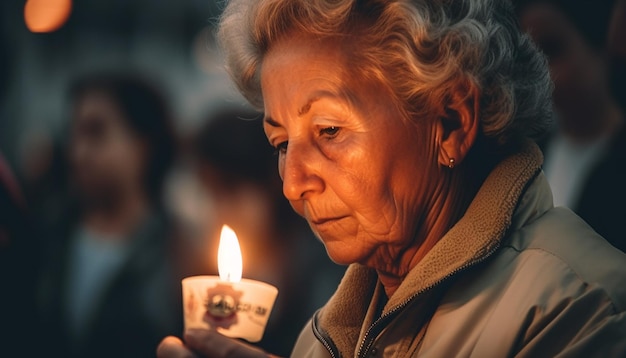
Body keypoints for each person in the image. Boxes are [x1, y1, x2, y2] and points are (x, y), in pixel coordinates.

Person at [159, 0, 626, 357]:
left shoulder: (580, 309)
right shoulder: (326, 336)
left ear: (451, 123)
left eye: (329, 131)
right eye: (282, 144)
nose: (293, 183)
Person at [38, 72, 182, 358]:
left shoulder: (177, 252)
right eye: (73, 134)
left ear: (143, 145)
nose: (78, 153)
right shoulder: (45, 236)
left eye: (96, 132)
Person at [187, 107, 344, 356]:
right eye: (210, 194)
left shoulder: (327, 272)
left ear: (272, 184)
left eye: (231, 191)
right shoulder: (200, 275)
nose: (220, 211)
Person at [517, 0, 626, 252]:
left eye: (552, 49)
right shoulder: (528, 155)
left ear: (599, 44)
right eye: (530, 57)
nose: (541, 72)